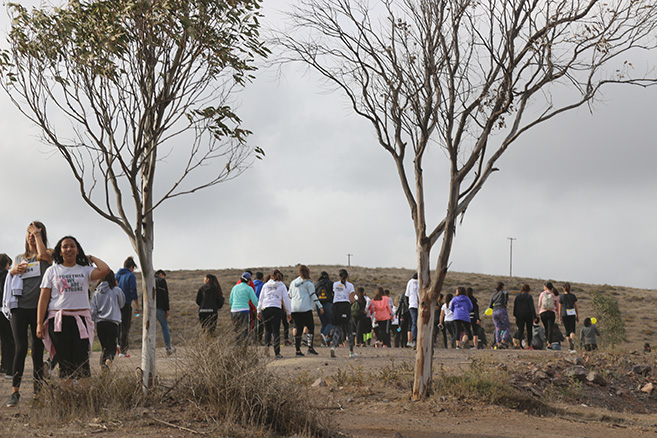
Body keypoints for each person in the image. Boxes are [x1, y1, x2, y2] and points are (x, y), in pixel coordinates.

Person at [36, 236, 110, 389]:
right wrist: (39, 323)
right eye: (65, 247)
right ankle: (67, 399)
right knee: (65, 363)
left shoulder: (84, 270)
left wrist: (89, 257)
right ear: (60, 251)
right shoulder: (52, 271)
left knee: (83, 362)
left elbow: (105, 270)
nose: (68, 249)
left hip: (81, 320)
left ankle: (84, 398)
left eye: (72, 246)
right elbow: (43, 299)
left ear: (77, 250)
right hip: (58, 321)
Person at [4, 221, 52, 407]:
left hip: (39, 310)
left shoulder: (47, 255)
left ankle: (38, 393)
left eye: (35, 233)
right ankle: (15, 392)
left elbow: (44, 256)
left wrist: (37, 235)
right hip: (19, 308)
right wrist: (12, 271)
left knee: (37, 352)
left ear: (42, 234)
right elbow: (12, 277)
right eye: (29, 232)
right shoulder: (19, 257)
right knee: (21, 348)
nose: (31, 236)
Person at [90, 270, 125, 369]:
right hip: (113, 322)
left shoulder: (96, 292)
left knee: (104, 348)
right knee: (112, 348)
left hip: (100, 323)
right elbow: (122, 304)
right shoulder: (117, 290)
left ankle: (102, 368)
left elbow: (93, 310)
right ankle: (108, 363)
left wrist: (91, 322)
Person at [289, 265, 323, 356]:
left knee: (298, 328)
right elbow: (313, 295)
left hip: (294, 308)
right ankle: (310, 348)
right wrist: (320, 306)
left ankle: (298, 350)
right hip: (305, 308)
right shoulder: (309, 283)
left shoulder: (293, 283)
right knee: (310, 327)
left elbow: (290, 295)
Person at [257, 269, 291, 358]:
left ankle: (266, 350)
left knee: (267, 330)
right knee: (276, 331)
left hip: (265, 308)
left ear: (271, 276)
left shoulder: (265, 285)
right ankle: (277, 353)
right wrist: (288, 312)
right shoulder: (282, 285)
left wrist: (258, 310)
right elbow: (286, 299)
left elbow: (261, 298)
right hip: (276, 308)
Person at [330, 269, 357, 358]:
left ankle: (333, 347)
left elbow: (333, 294)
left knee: (338, 328)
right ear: (347, 276)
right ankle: (351, 351)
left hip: (336, 307)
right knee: (349, 329)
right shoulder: (350, 286)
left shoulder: (335, 284)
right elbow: (352, 300)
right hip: (345, 306)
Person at [116, 257, 139, 358]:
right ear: (131, 267)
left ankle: (117, 345)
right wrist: (137, 305)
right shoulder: (130, 276)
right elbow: (133, 290)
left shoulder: (117, 275)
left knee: (118, 325)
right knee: (125, 326)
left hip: (116, 304)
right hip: (126, 303)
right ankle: (123, 350)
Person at [229, 271, 259, 343]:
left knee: (236, 330)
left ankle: (236, 345)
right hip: (244, 311)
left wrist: (233, 307)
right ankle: (243, 347)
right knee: (244, 330)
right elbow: (255, 301)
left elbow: (231, 300)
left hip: (234, 311)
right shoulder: (249, 288)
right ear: (248, 280)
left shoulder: (234, 287)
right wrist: (259, 309)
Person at [0, 253, 15, 379]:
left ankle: (3, 366)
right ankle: (9, 369)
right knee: (9, 340)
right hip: (4, 312)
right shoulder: (8, 276)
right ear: (6, 264)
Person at [155, 270, 175, 355]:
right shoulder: (161, 281)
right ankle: (168, 348)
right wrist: (167, 309)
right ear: (160, 274)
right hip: (160, 308)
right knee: (164, 327)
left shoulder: (148, 280)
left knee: (149, 329)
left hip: (150, 308)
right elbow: (165, 295)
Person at [488, 282, 511, 348]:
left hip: (494, 312)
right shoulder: (503, 292)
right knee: (507, 327)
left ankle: (498, 343)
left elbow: (490, 306)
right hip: (501, 310)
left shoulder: (494, 295)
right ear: (502, 287)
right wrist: (505, 302)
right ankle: (503, 341)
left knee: (498, 328)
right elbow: (506, 294)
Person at [513, 284, 536, 349]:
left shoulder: (517, 296)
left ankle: (519, 344)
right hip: (528, 315)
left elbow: (515, 306)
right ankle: (529, 345)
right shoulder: (529, 296)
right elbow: (532, 307)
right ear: (528, 290)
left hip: (519, 315)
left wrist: (515, 315)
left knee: (520, 330)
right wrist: (534, 316)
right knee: (529, 330)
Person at [538, 281, 560, 348]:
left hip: (543, 313)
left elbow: (539, 304)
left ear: (546, 287)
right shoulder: (554, 294)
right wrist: (558, 315)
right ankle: (549, 343)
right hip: (551, 313)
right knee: (550, 328)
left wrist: (539, 312)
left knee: (546, 328)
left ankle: (547, 341)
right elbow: (557, 305)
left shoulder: (542, 294)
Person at [314, 271, 334, 346]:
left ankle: (323, 342)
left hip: (319, 305)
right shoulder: (330, 283)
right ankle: (324, 334)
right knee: (331, 323)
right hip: (328, 303)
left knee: (324, 323)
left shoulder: (317, 284)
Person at [559, 282, 579, 352]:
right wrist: (577, 315)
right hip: (572, 314)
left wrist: (559, 318)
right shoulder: (573, 296)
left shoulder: (561, 297)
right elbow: (576, 306)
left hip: (564, 314)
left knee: (567, 331)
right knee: (572, 330)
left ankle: (569, 346)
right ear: (570, 289)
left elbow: (560, 308)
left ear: (563, 289)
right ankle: (572, 341)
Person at [404, 273, 419, 347]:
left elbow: (407, 295)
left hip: (412, 305)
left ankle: (414, 340)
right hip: (421, 305)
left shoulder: (410, 282)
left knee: (414, 322)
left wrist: (408, 304)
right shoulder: (422, 281)